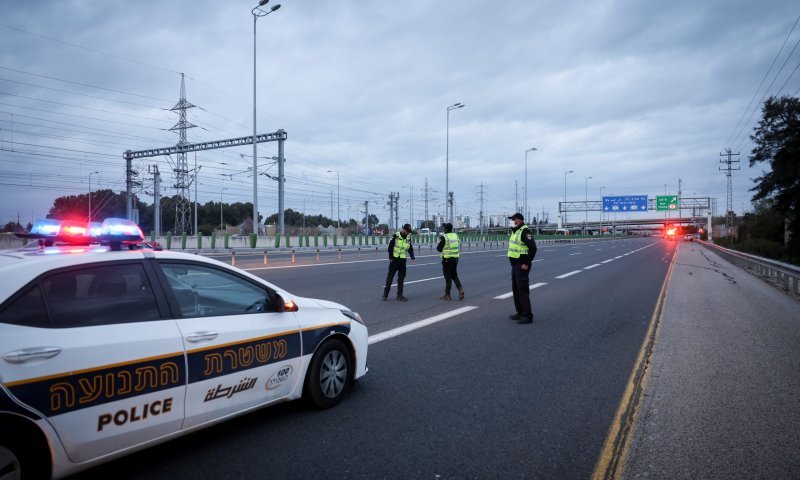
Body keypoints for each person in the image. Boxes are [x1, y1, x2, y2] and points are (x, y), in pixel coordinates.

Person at [507, 213, 537, 324]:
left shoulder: (525, 231)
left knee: (522, 289)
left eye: (513, 219)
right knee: (516, 289)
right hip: (515, 265)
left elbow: (533, 248)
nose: (511, 221)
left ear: (518, 220)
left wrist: (526, 263)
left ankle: (528, 315)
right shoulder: (515, 231)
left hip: (522, 265)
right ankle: (520, 312)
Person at [383, 223, 416, 301]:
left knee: (401, 279)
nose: (408, 232)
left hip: (402, 261)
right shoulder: (396, 236)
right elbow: (390, 247)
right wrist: (390, 257)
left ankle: (399, 295)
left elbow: (410, 248)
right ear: (403, 229)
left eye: (409, 231)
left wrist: (413, 257)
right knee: (390, 277)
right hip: (394, 260)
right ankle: (385, 294)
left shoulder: (408, 237)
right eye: (407, 231)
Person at [436, 223, 464, 300]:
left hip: (447, 259)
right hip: (455, 258)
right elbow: (457, 245)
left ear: (446, 229)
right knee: (454, 275)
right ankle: (460, 290)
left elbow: (439, 249)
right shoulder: (455, 236)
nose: (443, 229)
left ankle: (447, 295)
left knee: (447, 276)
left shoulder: (444, 237)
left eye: (443, 228)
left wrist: (440, 242)